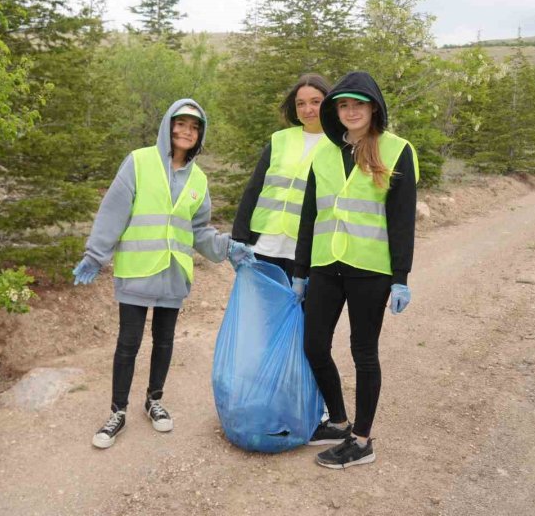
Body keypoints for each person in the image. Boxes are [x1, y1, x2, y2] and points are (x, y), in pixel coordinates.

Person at [72, 99, 255, 450]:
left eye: (194, 126)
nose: (187, 131)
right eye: (181, 123)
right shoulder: (138, 162)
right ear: (168, 126)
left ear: (200, 134)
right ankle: (118, 411)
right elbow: (114, 210)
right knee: (128, 342)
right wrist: (96, 254)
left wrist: (227, 246)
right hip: (137, 271)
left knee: (165, 340)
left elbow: (199, 230)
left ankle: (154, 400)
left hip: (174, 273)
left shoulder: (199, 179)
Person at [293, 71, 419, 468]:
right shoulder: (324, 153)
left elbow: (401, 220)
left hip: (370, 268)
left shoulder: (397, 150)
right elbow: (309, 216)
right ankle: (339, 420)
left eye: (357, 104)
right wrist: (301, 270)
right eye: (343, 105)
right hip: (326, 265)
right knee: (314, 345)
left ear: (373, 108)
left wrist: (401, 277)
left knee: (363, 353)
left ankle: (362, 440)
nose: (350, 111)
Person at [232, 74, 331, 281]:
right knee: (262, 311)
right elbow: (254, 189)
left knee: (299, 312)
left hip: (306, 250)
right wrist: (239, 238)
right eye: (300, 103)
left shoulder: (338, 146)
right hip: (264, 244)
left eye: (315, 102)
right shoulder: (280, 139)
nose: (307, 109)